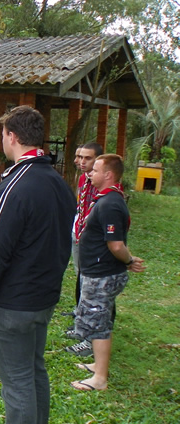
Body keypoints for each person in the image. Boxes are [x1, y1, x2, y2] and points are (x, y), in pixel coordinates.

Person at [0, 105, 75, 424]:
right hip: (44, 298)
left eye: (3, 134)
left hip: (13, 302)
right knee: (33, 369)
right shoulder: (58, 183)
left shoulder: (14, 185)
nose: (2, 140)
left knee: (17, 380)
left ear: (12, 137)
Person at [71, 154, 145, 392]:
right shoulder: (105, 199)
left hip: (102, 274)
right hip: (96, 271)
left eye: (95, 170)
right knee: (97, 320)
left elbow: (116, 245)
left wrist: (129, 260)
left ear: (109, 175)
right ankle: (97, 365)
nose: (90, 173)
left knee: (99, 322)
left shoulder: (111, 204)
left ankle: (100, 378)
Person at [65, 142, 103, 356]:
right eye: (79, 157)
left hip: (94, 240)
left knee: (93, 285)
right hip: (78, 233)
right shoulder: (82, 179)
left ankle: (90, 334)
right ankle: (80, 316)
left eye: (87, 158)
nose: (80, 161)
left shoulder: (104, 185)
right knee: (80, 276)